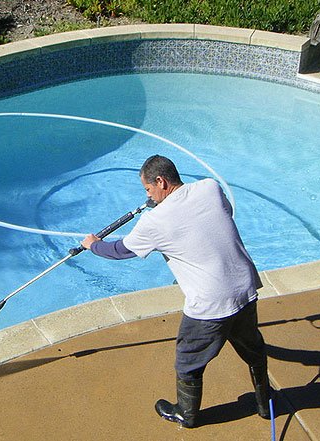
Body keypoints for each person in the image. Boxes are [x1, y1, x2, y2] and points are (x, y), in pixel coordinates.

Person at [80, 154, 271, 428]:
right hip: (245, 288)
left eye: (148, 189)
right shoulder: (210, 188)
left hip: (209, 304)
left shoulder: (154, 222)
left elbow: (120, 251)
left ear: (161, 181)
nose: (150, 196)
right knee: (252, 346)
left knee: (188, 361)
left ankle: (186, 414)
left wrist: (93, 245)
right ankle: (266, 403)